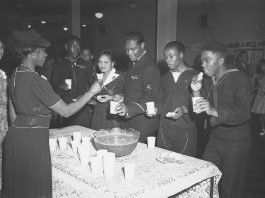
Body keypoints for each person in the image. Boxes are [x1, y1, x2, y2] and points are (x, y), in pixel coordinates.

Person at [2, 29, 101, 198]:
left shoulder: (15, 74)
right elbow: (67, 111)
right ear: (33, 53)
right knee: (36, 191)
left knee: (17, 190)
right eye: (43, 51)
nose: (46, 55)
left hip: (14, 140)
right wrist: (91, 93)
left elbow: (13, 116)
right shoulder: (36, 80)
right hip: (33, 143)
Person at [191, 41, 251, 198]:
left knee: (230, 188)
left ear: (221, 60)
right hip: (215, 137)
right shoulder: (210, 79)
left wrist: (214, 110)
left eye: (207, 60)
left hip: (235, 141)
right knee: (206, 178)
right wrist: (196, 92)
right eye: (201, 61)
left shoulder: (239, 79)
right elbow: (199, 110)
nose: (203, 65)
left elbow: (244, 113)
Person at [115, 31, 162, 143]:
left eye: (133, 49)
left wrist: (128, 108)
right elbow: (131, 89)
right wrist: (121, 96)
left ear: (142, 45)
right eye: (127, 49)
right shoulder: (132, 64)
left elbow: (150, 97)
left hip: (143, 124)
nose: (129, 52)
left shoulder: (149, 67)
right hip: (128, 121)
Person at [157, 41, 197, 156]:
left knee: (184, 166)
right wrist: (154, 109)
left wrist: (184, 110)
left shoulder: (194, 76)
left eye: (171, 56)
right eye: (165, 57)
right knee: (163, 165)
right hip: (164, 129)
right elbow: (160, 101)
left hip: (185, 130)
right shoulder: (164, 78)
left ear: (181, 55)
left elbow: (200, 106)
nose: (167, 60)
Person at [51, 35, 95, 128]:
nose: (76, 49)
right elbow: (53, 88)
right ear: (67, 47)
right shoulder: (58, 66)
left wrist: (88, 97)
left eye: (78, 46)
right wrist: (61, 87)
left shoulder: (86, 64)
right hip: (65, 107)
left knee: (84, 134)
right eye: (73, 46)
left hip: (82, 107)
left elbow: (94, 84)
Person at [91, 49, 125, 130]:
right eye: (100, 61)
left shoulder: (120, 76)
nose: (102, 65)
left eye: (106, 62)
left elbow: (126, 95)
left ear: (112, 63)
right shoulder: (97, 76)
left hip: (112, 117)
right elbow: (95, 97)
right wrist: (92, 100)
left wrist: (112, 98)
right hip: (97, 115)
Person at [251, 59, 265, 136]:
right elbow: (258, 86)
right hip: (260, 95)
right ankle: (263, 129)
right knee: (260, 113)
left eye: (264, 65)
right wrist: (253, 89)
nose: (262, 67)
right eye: (262, 65)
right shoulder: (259, 74)